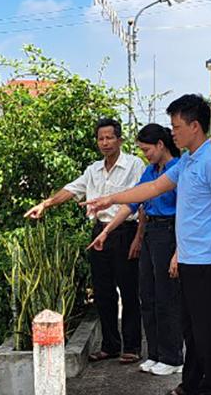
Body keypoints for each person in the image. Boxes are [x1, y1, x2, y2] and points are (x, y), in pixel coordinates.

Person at [83, 95, 211, 395]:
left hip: (209, 260)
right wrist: (109, 198)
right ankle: (191, 383)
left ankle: (210, 393)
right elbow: (152, 189)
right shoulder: (187, 162)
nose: (173, 133)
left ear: (195, 126)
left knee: (206, 328)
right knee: (190, 326)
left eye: (177, 127)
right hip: (190, 260)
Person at [25, 117, 144, 364]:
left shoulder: (134, 165)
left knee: (129, 290)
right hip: (98, 233)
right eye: (101, 138)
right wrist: (45, 204)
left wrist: (139, 237)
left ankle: (131, 346)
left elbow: (141, 200)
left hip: (125, 232)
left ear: (119, 139)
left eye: (110, 137)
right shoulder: (93, 170)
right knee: (103, 292)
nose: (105, 143)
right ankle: (110, 345)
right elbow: (71, 190)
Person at [89, 123, 183, 377]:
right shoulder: (152, 171)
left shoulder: (177, 170)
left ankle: (172, 356)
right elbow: (133, 202)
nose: (145, 155)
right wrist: (106, 232)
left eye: (147, 149)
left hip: (169, 232)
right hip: (152, 232)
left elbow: (185, 211)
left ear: (161, 145)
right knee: (148, 297)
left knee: (167, 298)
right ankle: (155, 354)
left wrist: (179, 249)